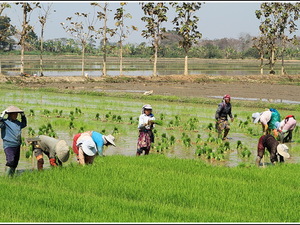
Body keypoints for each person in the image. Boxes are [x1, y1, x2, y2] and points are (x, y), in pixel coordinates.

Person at [0, 106, 27, 177]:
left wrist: (23, 116)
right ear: (9, 115)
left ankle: (11, 177)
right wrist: (2, 114)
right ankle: (6, 177)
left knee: (15, 162)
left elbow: (24, 124)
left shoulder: (18, 123)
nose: (16, 115)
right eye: (14, 114)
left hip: (17, 145)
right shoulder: (5, 123)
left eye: (17, 114)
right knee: (10, 161)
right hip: (8, 145)